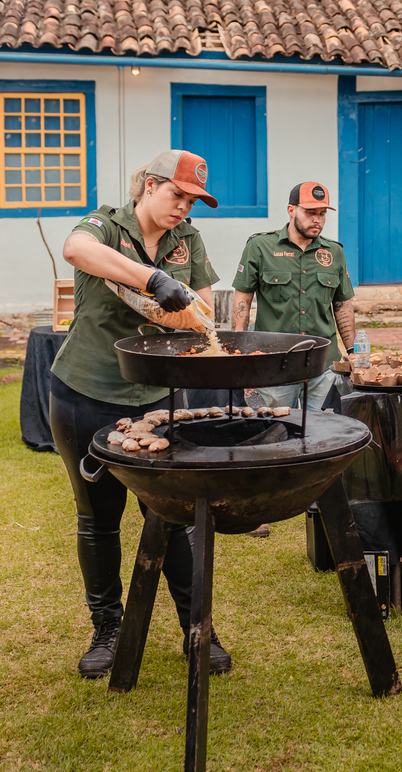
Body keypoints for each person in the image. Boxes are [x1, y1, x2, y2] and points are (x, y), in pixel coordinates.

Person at [52, 150, 232, 678]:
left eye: (192, 201)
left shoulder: (187, 239)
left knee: (174, 515)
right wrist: (152, 280)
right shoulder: (107, 225)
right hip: (86, 389)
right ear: (149, 186)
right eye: (177, 195)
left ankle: (198, 630)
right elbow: (75, 249)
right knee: (98, 517)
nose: (183, 208)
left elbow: (202, 308)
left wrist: (195, 320)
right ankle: (107, 629)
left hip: (156, 395)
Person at [232, 182, 355, 410]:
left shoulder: (334, 252)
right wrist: (239, 348)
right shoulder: (260, 247)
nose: (317, 220)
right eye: (310, 212)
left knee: (323, 427)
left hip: (323, 364)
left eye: (322, 213)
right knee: (279, 426)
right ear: (291, 210)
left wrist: (352, 351)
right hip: (275, 362)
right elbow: (243, 299)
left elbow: (342, 305)